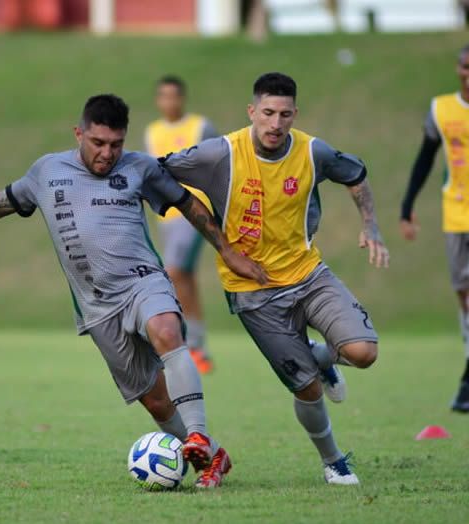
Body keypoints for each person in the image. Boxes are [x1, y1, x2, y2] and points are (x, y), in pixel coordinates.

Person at [0, 94, 267, 489]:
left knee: (166, 329)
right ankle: (212, 457)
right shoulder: (46, 171)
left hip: (142, 281)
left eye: (116, 144)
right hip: (97, 308)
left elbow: (188, 203)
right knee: (156, 401)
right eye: (98, 143)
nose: (108, 153)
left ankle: (197, 432)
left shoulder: (140, 168)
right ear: (79, 134)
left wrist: (227, 251)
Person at [161, 73, 389, 485]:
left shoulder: (312, 151)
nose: (275, 123)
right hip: (253, 295)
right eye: (267, 113)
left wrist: (370, 225)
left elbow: (355, 173)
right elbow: (161, 171)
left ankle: (322, 358)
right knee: (306, 389)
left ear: (294, 114)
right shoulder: (220, 154)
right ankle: (333, 460)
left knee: (364, 353)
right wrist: (221, 244)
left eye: (284, 115)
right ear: (252, 112)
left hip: (309, 274)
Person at [400, 44, 469, 413]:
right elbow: (425, 158)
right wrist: (407, 207)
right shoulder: (442, 109)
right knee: (464, 297)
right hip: (456, 214)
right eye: (464, 66)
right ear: (458, 68)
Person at [145, 76, 218, 373]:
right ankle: (199, 348)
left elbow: (219, 164)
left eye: (174, 96)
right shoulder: (153, 131)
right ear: (158, 100)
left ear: (182, 98)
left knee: (173, 272)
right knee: (184, 276)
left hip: (195, 211)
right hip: (167, 216)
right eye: (163, 96)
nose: (169, 102)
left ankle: (183, 344)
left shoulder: (201, 127)